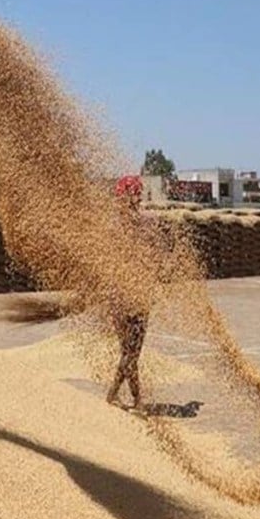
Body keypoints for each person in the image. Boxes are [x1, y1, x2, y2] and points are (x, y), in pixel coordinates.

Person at [106, 175, 150, 410]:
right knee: (131, 352)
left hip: (131, 295)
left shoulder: (116, 226)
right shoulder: (131, 227)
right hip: (127, 296)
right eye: (136, 194)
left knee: (130, 351)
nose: (138, 198)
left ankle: (133, 398)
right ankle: (119, 395)